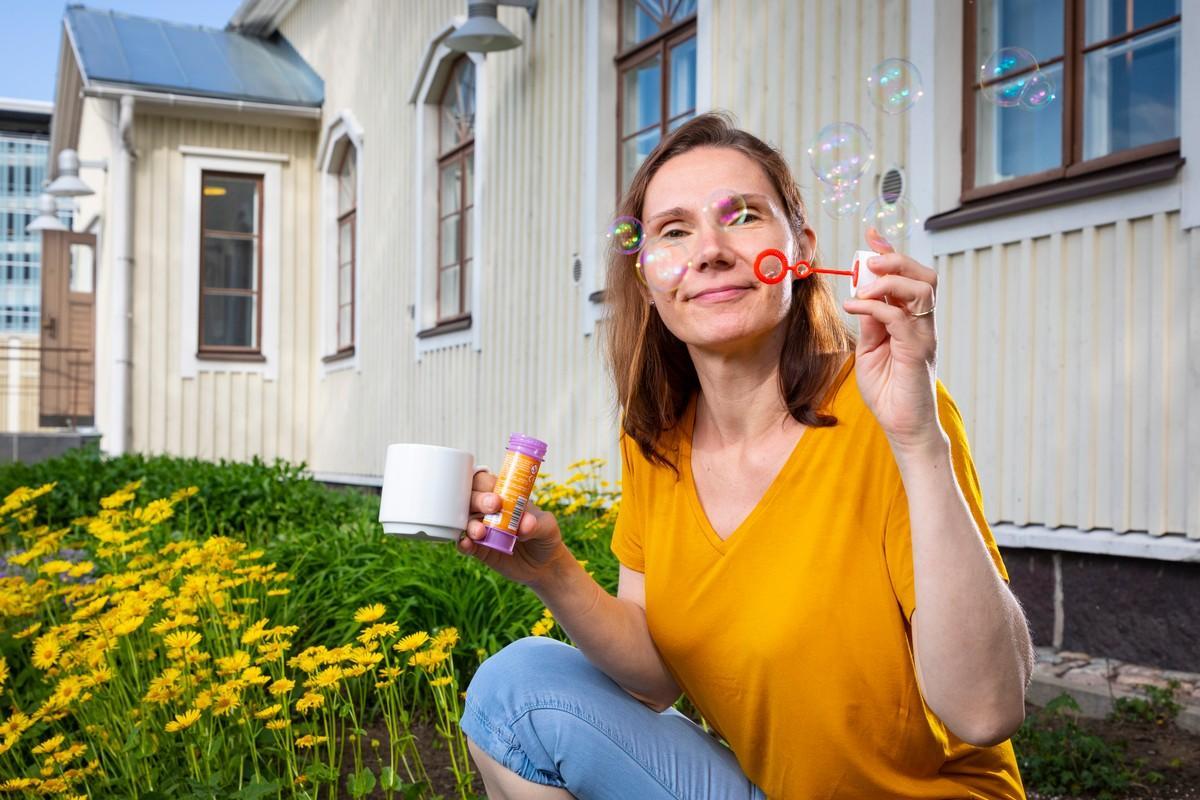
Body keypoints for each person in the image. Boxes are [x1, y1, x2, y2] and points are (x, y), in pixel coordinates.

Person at [455, 112, 1034, 799]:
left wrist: (918, 437)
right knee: (512, 690)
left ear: (801, 250)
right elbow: (654, 677)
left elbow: (986, 710)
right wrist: (550, 569)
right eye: (674, 231)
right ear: (648, 283)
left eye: (742, 216)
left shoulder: (885, 414)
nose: (709, 250)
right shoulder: (657, 442)